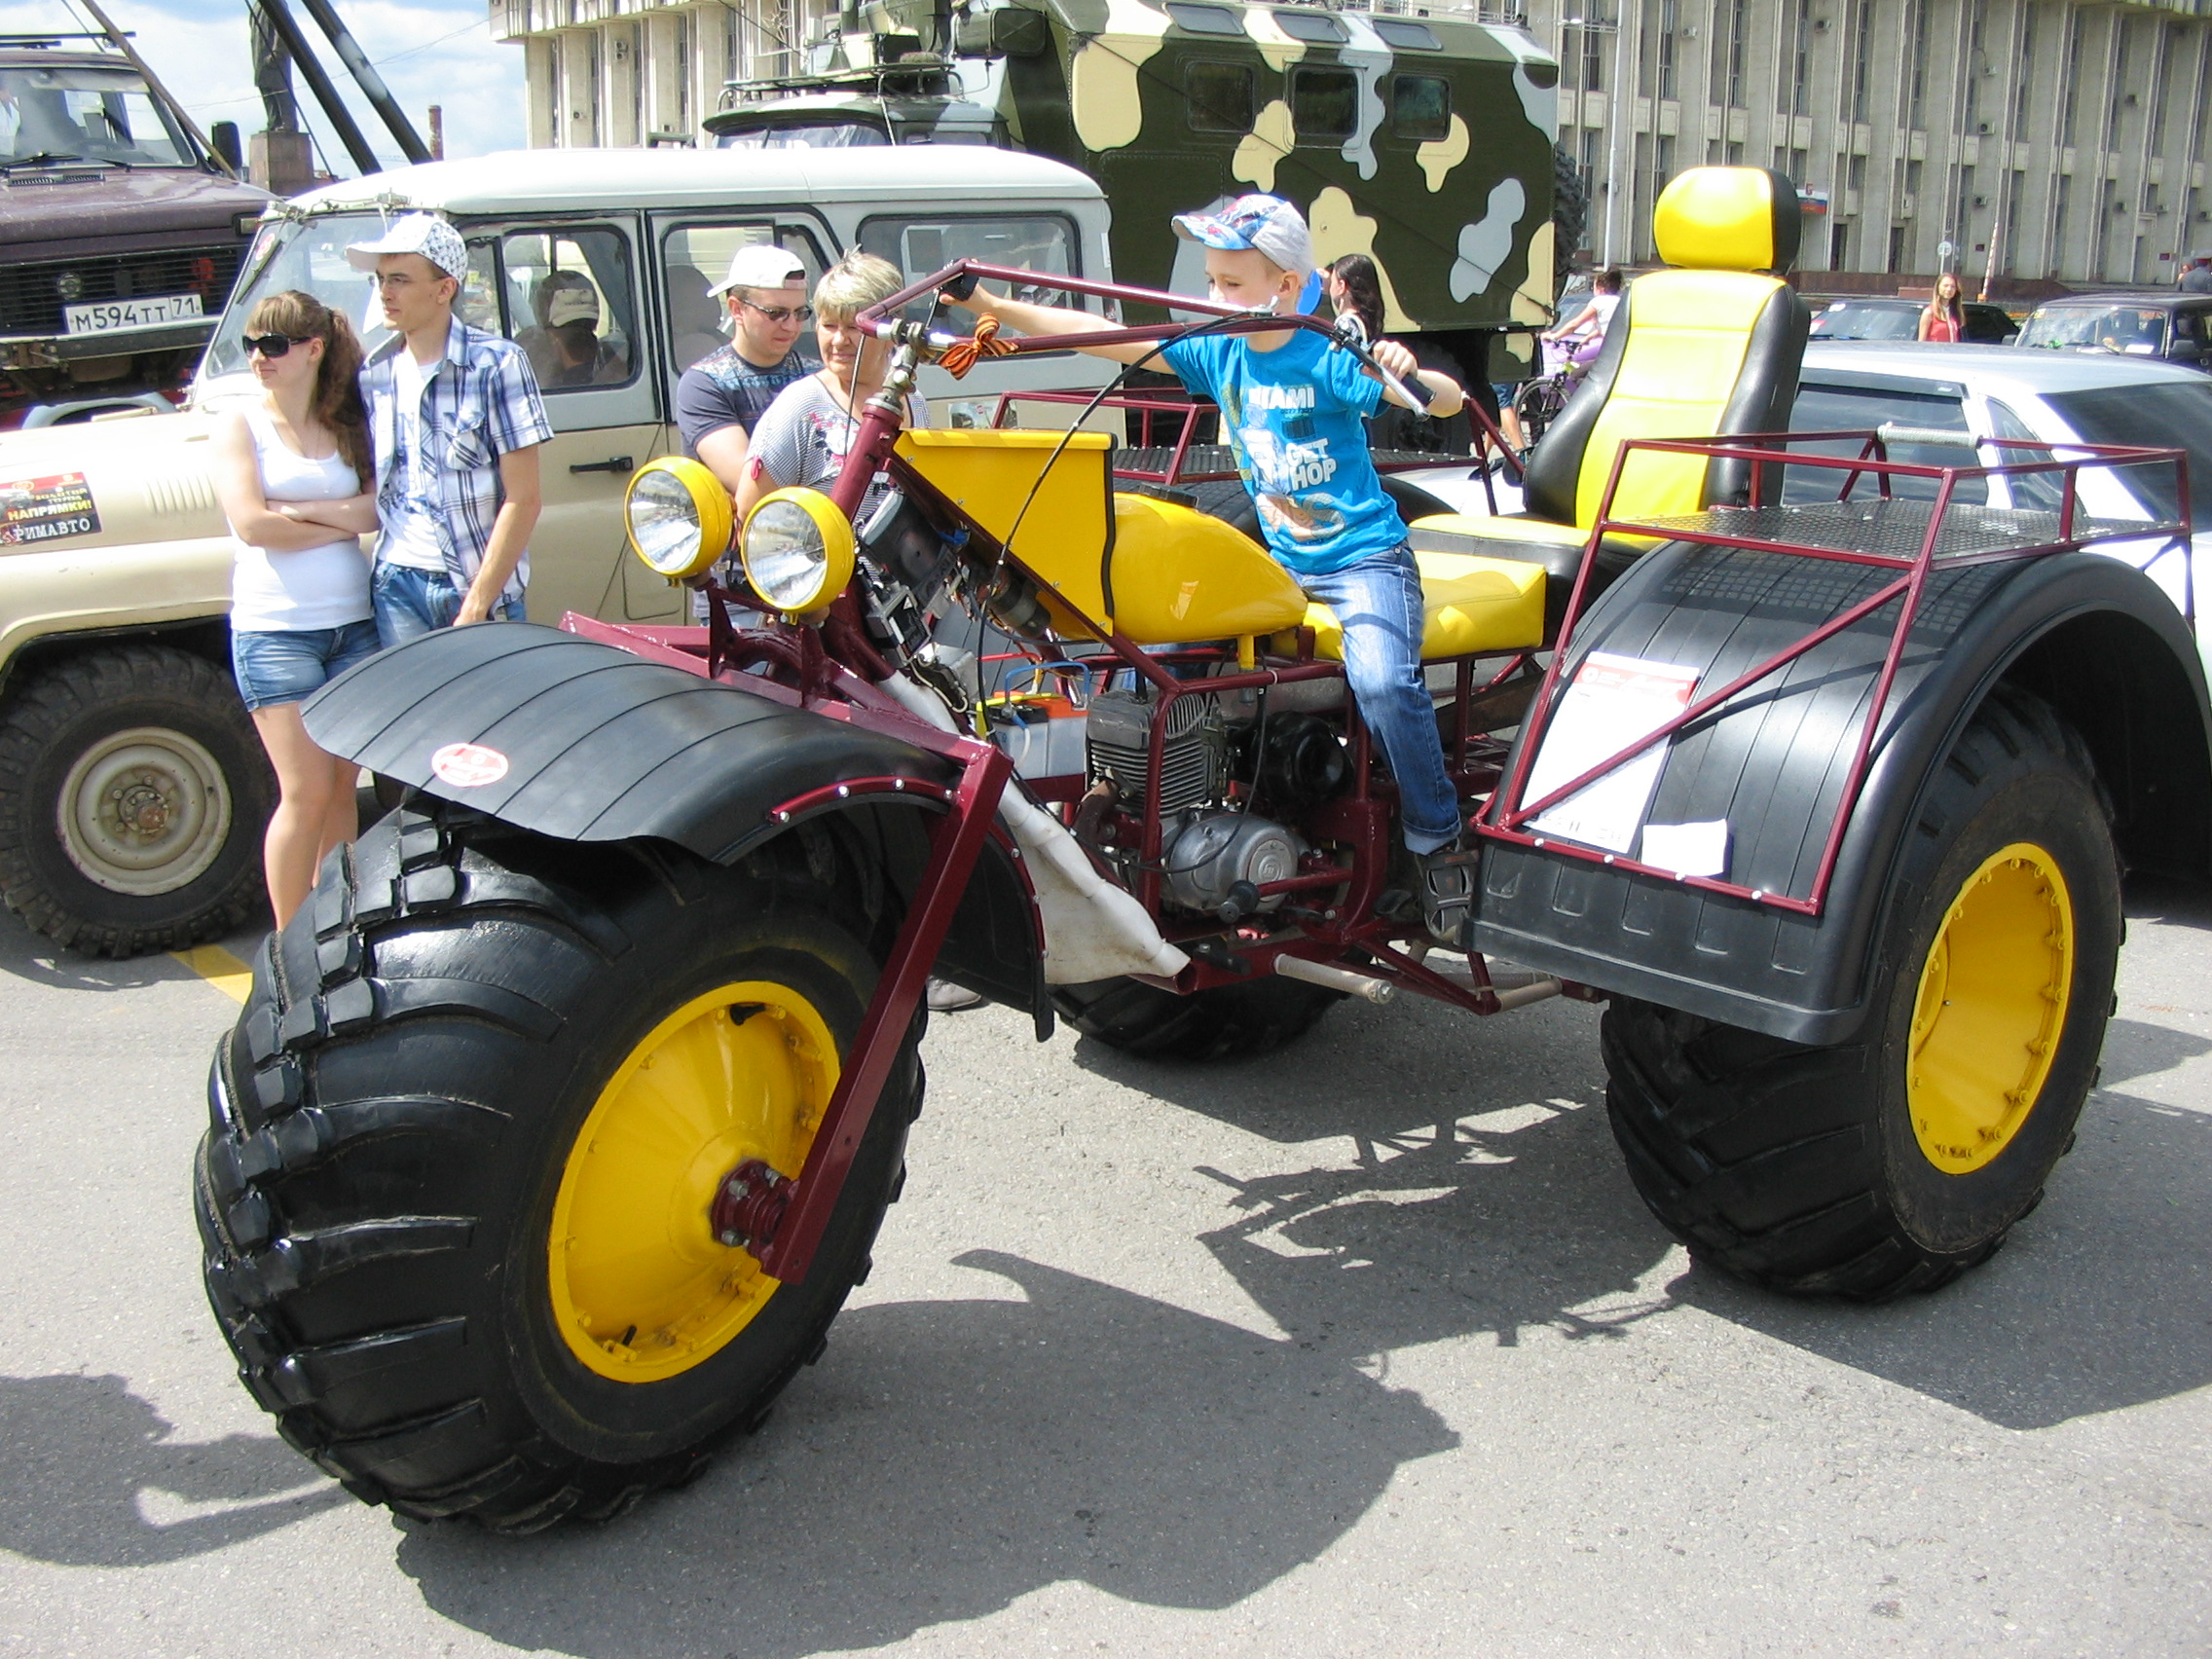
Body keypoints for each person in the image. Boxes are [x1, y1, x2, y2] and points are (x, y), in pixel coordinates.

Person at [943, 194, 1479, 943]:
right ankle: (1136, 798)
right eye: (1210, 281)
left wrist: (1404, 366)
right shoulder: (1219, 349)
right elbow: (1110, 335)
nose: (1213, 297)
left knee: (1386, 683)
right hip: (1276, 560)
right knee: (1160, 655)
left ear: (1286, 287)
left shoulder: (1326, 352)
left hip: (1362, 558)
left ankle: (1436, 835)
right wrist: (994, 305)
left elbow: (1442, 402)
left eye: (1230, 283)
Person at [209, 290, 381, 928]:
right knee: (304, 792)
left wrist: (301, 514)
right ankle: (289, 943)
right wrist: (338, 521)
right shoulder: (240, 424)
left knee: (341, 789)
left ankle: (337, 927)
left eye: (274, 344)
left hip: (352, 626)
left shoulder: (348, 423)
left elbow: (374, 510)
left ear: (313, 349)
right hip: (276, 632)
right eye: (251, 344)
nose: (259, 356)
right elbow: (253, 525)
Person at [346, 212, 551, 646]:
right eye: (380, 280)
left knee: (493, 694)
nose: (385, 292)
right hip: (398, 581)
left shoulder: (497, 364)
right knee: (411, 696)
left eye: (400, 280)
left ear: (445, 289)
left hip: (475, 584)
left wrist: (477, 603)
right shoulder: (376, 371)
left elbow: (524, 498)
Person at [733, 251, 925, 528]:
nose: (838, 340)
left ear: (891, 332)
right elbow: (750, 512)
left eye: (854, 328)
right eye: (829, 325)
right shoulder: (802, 404)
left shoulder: (915, 402)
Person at [677, 243, 817, 607]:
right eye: (776, 313)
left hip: (817, 571)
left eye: (800, 313)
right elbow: (751, 484)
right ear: (736, 309)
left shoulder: (818, 375)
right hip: (740, 584)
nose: (791, 326)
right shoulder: (705, 384)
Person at [1919, 272, 1967, 342]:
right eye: (1945, 286)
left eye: (1953, 286)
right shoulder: (1929, 312)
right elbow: (1921, 342)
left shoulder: (1954, 312)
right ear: (1938, 288)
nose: (1949, 289)